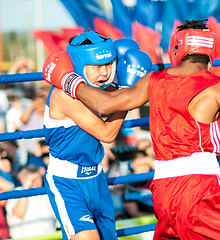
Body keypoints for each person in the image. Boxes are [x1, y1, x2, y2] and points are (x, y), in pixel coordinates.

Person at [44, 20, 220, 240]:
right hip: (202, 187)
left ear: (175, 49)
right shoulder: (216, 86)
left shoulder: (153, 80)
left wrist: (69, 80)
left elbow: (105, 104)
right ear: (210, 51)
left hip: (163, 190)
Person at [41, 31, 149, 240]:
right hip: (67, 182)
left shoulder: (101, 89)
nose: (105, 72)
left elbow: (127, 100)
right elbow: (107, 133)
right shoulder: (64, 95)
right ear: (81, 65)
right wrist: (126, 91)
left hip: (96, 178)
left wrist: (126, 91)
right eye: (98, 66)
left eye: (109, 64)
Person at [6, 165, 56, 239]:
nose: (36, 182)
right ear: (23, 180)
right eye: (32, 179)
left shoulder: (46, 193)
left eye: (38, 178)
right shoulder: (16, 192)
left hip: (50, 236)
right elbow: (19, 213)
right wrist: (26, 187)